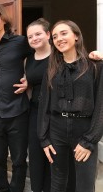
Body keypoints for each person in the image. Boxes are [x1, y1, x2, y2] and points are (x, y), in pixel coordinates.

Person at [38, 20, 103, 192]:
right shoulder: (52, 69)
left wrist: (89, 140)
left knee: (85, 184)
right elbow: (44, 105)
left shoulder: (95, 66)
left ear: (76, 36)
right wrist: (44, 139)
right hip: (57, 130)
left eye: (64, 33)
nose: (59, 38)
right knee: (58, 183)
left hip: (84, 130)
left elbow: (101, 107)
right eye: (55, 36)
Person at [0, 3, 30, 192]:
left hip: (18, 111)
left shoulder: (20, 42)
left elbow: (43, 56)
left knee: (18, 159)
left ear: (4, 19)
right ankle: (2, 188)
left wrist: (30, 80)